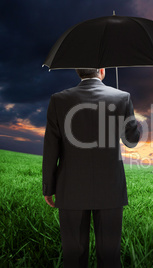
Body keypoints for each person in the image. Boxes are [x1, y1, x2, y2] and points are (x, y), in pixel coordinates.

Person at [42, 68, 141, 267]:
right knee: (110, 257)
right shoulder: (122, 97)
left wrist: (49, 188)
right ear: (102, 71)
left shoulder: (58, 100)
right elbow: (131, 141)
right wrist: (131, 120)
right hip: (110, 189)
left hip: (70, 189)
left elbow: (51, 148)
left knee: (74, 258)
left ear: (78, 72)